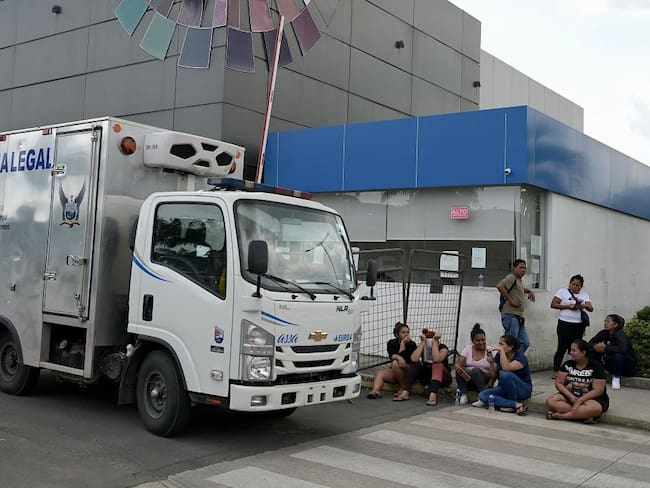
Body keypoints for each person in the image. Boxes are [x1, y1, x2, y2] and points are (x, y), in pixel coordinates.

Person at [473, 335, 531, 415]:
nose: (499, 347)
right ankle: (515, 405)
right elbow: (493, 375)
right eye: (499, 344)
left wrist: (501, 351)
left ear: (511, 347)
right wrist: (491, 363)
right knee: (483, 395)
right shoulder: (499, 355)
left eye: (502, 345)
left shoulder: (521, 358)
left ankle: (511, 403)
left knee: (504, 374)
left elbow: (507, 367)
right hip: (505, 388)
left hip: (523, 389)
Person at [550, 274, 593, 379]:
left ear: (581, 286)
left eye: (577, 285)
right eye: (573, 284)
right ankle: (556, 370)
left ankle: (570, 368)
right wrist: (567, 306)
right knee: (562, 346)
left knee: (575, 348)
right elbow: (553, 304)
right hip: (565, 323)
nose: (575, 287)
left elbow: (591, 308)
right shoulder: (562, 291)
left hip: (578, 325)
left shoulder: (584, 295)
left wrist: (584, 305)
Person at [393, 328, 451, 405]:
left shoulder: (443, 348)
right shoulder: (423, 347)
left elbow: (437, 359)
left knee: (437, 364)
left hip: (442, 377)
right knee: (415, 364)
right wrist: (422, 343)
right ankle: (406, 392)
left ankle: (433, 395)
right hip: (427, 376)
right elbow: (413, 359)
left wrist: (435, 342)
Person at [367, 322, 416, 399]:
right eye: (403, 332)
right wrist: (399, 357)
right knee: (380, 373)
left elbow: (403, 363)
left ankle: (403, 388)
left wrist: (403, 344)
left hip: (408, 371)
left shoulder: (412, 344)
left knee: (395, 363)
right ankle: (375, 391)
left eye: (408, 332)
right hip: (397, 371)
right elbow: (392, 356)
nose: (406, 334)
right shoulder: (391, 343)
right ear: (397, 335)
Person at [496, 259, 535, 353]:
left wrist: (529, 291)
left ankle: (514, 361)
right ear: (514, 268)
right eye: (520, 267)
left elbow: (520, 289)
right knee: (509, 344)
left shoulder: (518, 280)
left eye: (524, 268)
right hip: (511, 316)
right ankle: (503, 363)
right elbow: (500, 286)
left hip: (518, 317)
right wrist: (511, 300)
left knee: (524, 343)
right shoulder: (511, 277)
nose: (523, 270)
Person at [588, 314, 637, 390]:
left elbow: (622, 349)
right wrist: (595, 347)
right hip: (610, 362)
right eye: (605, 321)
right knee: (593, 351)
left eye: (608, 322)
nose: (605, 323)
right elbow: (590, 343)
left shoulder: (620, 334)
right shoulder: (604, 333)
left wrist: (606, 348)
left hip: (626, 366)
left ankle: (616, 377)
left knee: (618, 355)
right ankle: (594, 374)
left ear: (615, 324)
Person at [453, 323, 496, 404]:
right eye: (478, 340)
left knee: (475, 370)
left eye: (483, 340)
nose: (481, 342)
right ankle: (463, 394)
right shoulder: (468, 348)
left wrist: (491, 363)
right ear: (473, 341)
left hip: (484, 379)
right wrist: (458, 368)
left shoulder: (491, 351)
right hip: (469, 379)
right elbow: (457, 364)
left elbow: (493, 375)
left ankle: (482, 396)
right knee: (460, 369)